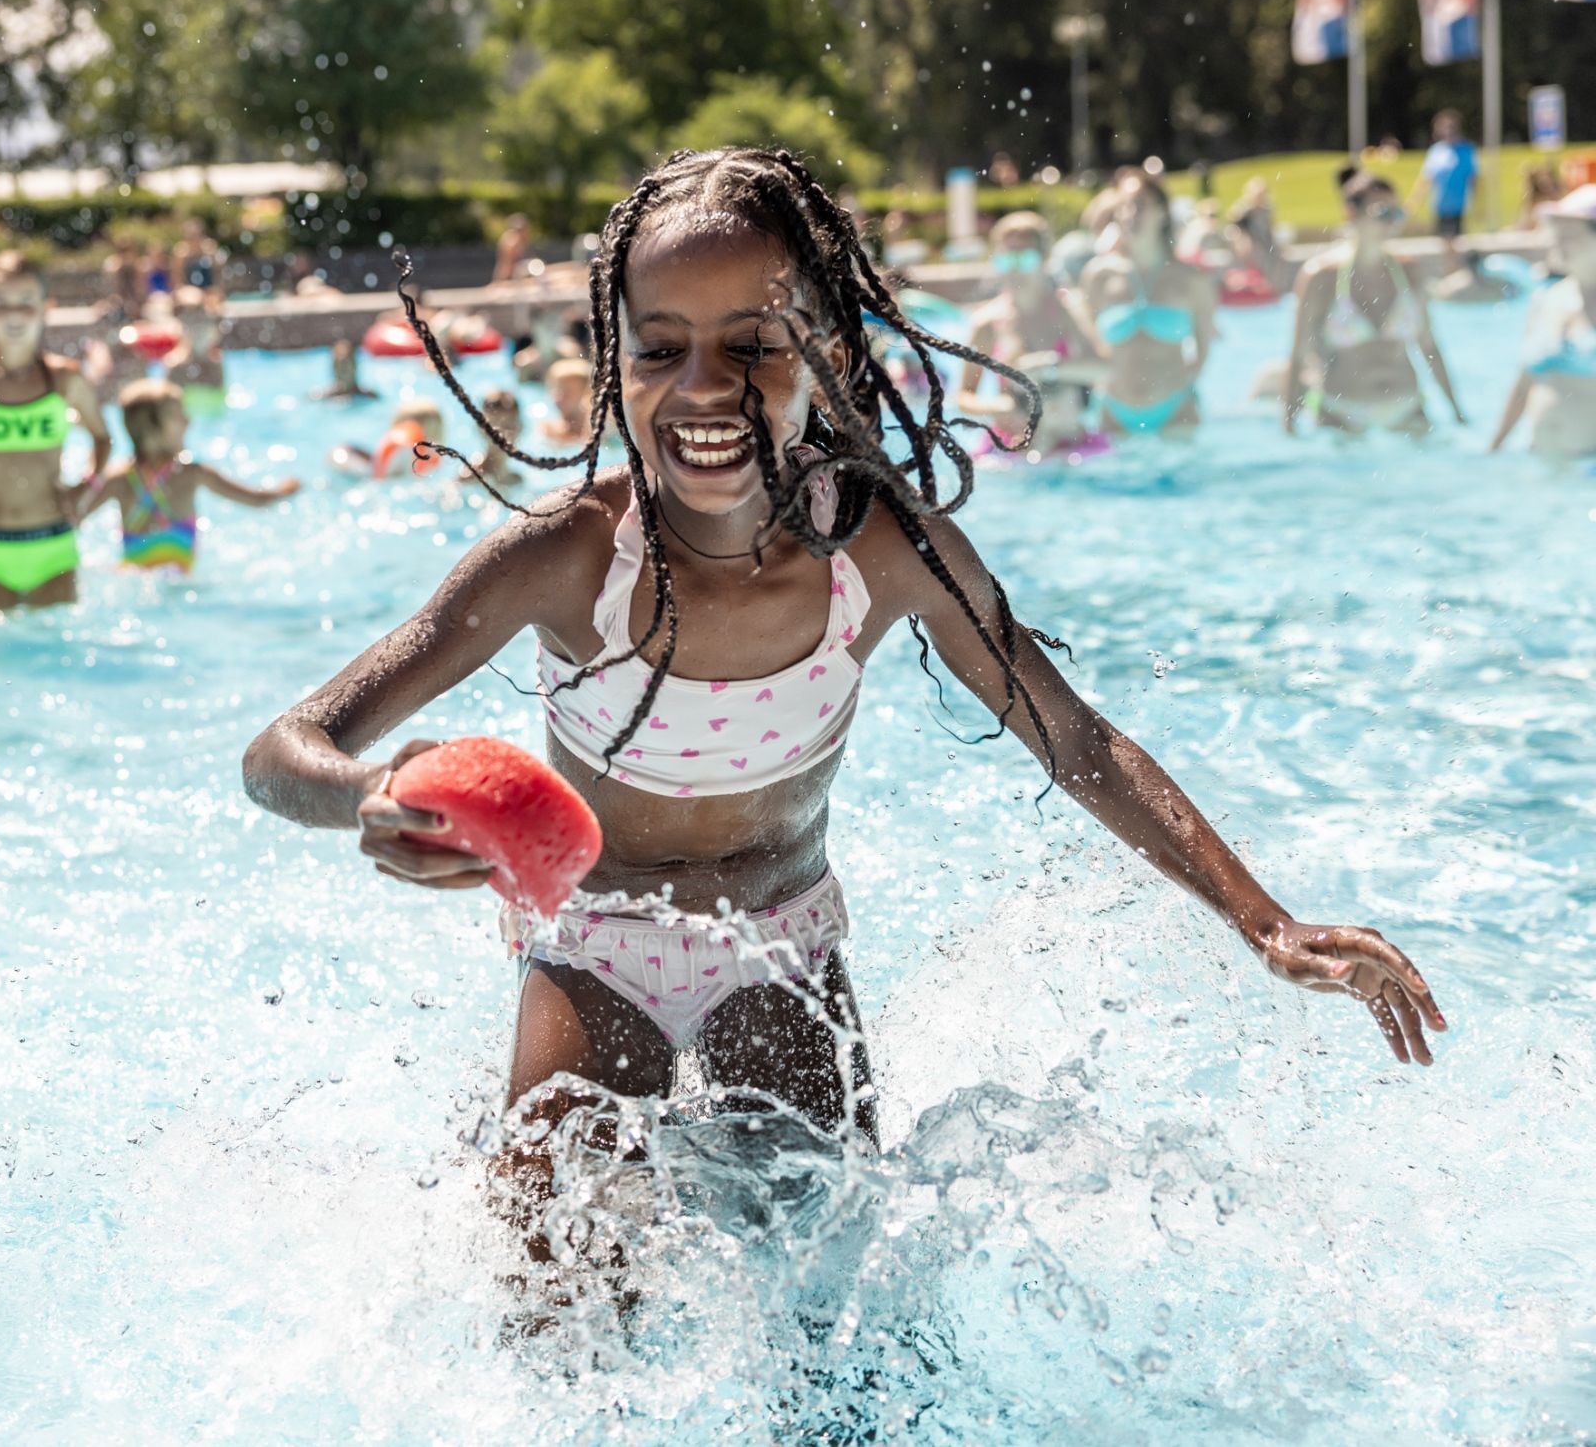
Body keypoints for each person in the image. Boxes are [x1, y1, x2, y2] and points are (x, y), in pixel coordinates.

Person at [240, 147, 1444, 1272]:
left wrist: (1262, 922)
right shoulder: (565, 559)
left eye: (752, 343)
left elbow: (1072, 738)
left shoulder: (882, 551)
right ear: (616, 365)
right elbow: (280, 750)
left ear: (825, 348)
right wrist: (366, 797)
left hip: (783, 948)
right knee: (548, 1275)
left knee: (832, 1298)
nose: (700, 388)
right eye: (659, 350)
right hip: (591, 950)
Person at [0, 251, 113, 613]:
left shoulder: (65, 379)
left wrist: (86, 488)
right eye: (2, 304)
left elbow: (102, 438)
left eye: (26, 303)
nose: (13, 314)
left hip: (53, 545)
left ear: (47, 308)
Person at [1282, 166, 1465, 436]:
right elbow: (1299, 354)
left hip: (1407, 408)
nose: (1391, 222)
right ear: (1351, 214)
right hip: (1341, 412)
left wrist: (1458, 413)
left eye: (1397, 213)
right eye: (1382, 213)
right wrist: (1288, 424)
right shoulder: (1321, 277)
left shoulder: (1410, 273)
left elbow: (1429, 347)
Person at [79, 379, 299, 574]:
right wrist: (285, 490)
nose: (188, 421)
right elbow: (255, 500)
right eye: (178, 415)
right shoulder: (193, 474)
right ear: (151, 428)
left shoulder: (118, 479)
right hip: (180, 583)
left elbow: (73, 518)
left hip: (133, 576)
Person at [1489, 184, 1596, 462]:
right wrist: (1494, 449)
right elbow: (1524, 381)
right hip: (1541, 463)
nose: (1556, 242)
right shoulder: (1546, 299)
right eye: (1556, 233)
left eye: (1570, 234)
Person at [953, 212, 1108, 458]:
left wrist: (1048, 367)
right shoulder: (987, 323)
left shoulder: (1069, 313)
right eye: (1006, 259)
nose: (1015, 269)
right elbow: (963, 396)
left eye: (1025, 259)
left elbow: (1105, 368)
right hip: (1014, 442)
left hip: (1069, 439)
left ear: (1045, 259)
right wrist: (996, 407)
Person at [1078, 169, 1216, 436]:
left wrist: (1180, 387)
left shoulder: (1191, 279)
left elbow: (1203, 354)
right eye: (1124, 206)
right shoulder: (1098, 276)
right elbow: (1089, 347)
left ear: (1162, 212)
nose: (1130, 213)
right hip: (1114, 410)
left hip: (1176, 410)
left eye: (1139, 205)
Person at [1413, 109, 1478, 268]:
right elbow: (1426, 179)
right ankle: (1452, 270)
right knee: (1445, 241)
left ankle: (1455, 270)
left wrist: (1478, 204)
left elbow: (1473, 179)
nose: (1448, 131)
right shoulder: (1436, 151)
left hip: (1458, 204)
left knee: (1453, 239)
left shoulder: (1466, 150)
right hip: (1440, 204)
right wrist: (1414, 202)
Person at [164, 287, 225, 416]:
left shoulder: (216, 365)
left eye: (203, 319)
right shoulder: (175, 367)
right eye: (191, 320)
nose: (199, 329)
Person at [472, 389, 525, 491]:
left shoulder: (517, 480)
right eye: (494, 430)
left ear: (521, 427)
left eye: (509, 426)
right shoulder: (470, 477)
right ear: (479, 429)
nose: (502, 436)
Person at [540, 357, 593, 445]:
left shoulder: (602, 429)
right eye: (557, 390)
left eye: (568, 392)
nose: (560, 397)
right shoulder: (548, 431)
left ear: (586, 394)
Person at [172, 217, 222, 297]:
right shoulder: (181, 251)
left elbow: (218, 269)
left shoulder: (209, 247)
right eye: (191, 235)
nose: (194, 238)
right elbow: (177, 276)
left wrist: (210, 254)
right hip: (189, 289)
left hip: (208, 288)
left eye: (197, 235)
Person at [492, 215, 533, 285]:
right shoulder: (511, 242)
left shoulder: (516, 240)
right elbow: (506, 265)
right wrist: (501, 281)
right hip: (510, 276)